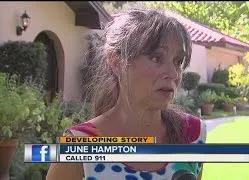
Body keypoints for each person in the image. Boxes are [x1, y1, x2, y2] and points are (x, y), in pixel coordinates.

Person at [46, 9, 207, 180]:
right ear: (117, 62)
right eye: (156, 58)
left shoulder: (193, 134)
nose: (173, 73)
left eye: (178, 61)